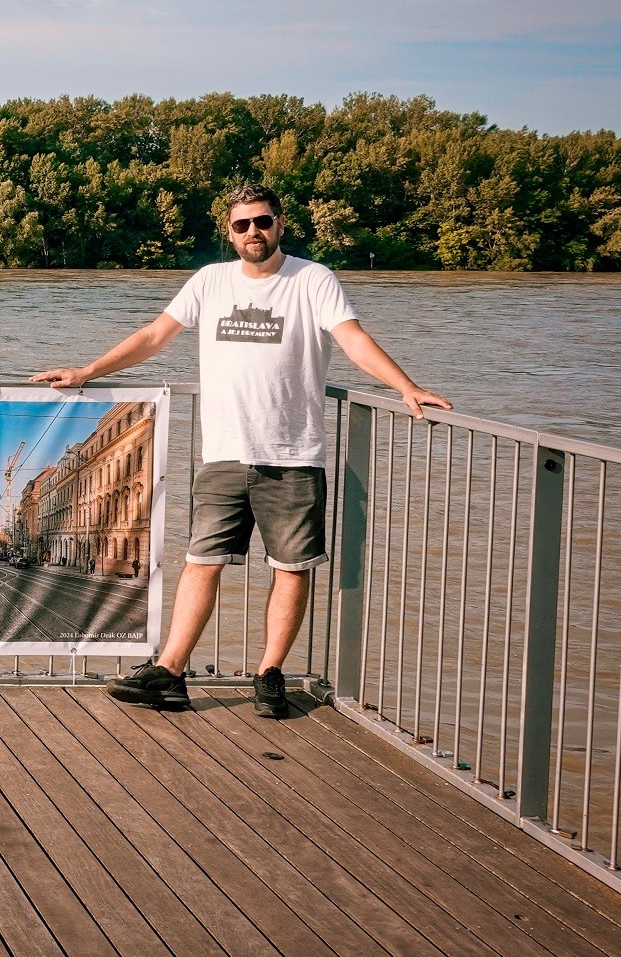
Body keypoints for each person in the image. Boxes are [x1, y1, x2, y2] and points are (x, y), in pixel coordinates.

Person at [31, 183, 448, 718]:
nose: (254, 232)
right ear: (229, 233)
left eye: (263, 221)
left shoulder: (313, 279)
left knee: (291, 568)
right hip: (224, 453)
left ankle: (269, 674)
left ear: (280, 224)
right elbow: (155, 336)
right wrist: (88, 370)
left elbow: (352, 339)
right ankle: (170, 673)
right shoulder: (210, 280)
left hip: (294, 454)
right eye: (242, 224)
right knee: (201, 562)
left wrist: (405, 386)